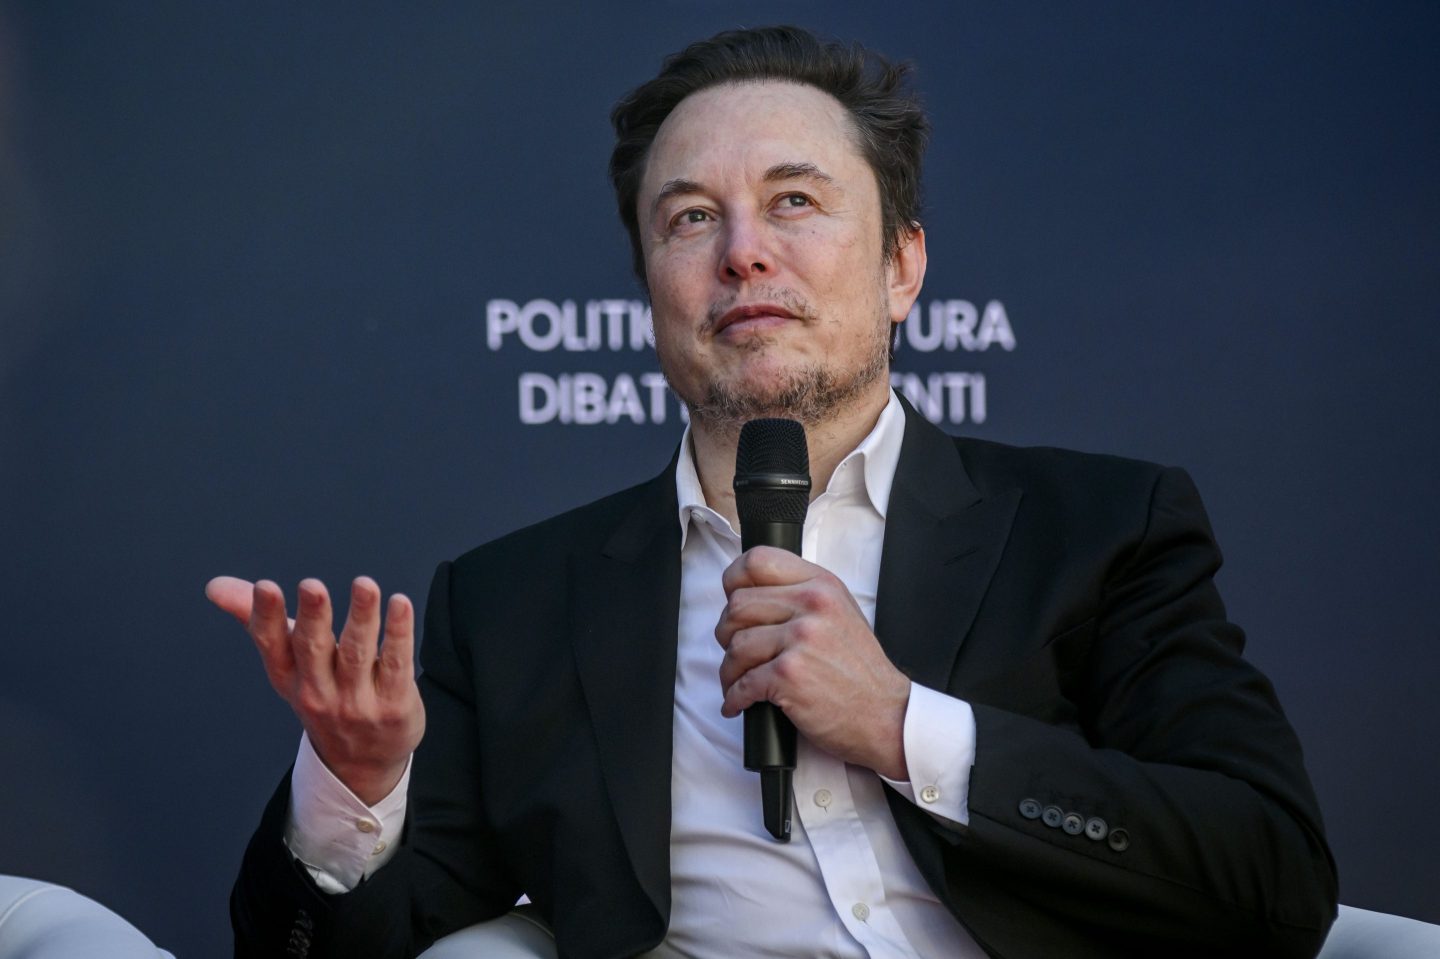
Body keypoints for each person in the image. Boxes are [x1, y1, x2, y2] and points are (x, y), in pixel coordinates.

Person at [214, 26, 1338, 959]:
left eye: (794, 200)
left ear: (902, 266)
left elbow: (1275, 878)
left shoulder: (1097, 529)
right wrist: (354, 789)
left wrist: (900, 723)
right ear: (651, 291)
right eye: (691, 217)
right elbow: (336, 945)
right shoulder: (514, 602)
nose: (743, 252)